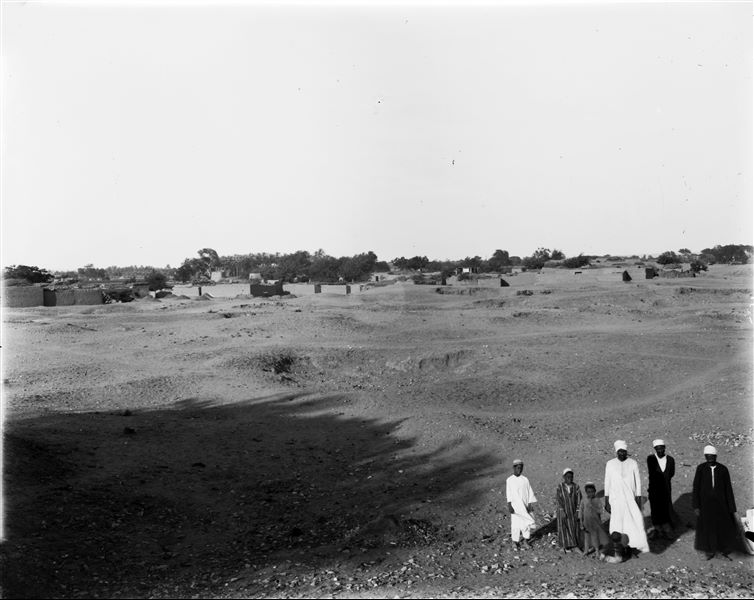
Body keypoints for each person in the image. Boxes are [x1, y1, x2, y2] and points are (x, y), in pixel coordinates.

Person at [692, 445, 739, 560]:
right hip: (705, 504)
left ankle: (721, 551)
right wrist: (696, 506)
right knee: (707, 528)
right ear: (705, 456)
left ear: (716, 456)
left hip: (721, 504)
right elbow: (696, 487)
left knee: (721, 527)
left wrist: (731, 508)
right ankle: (709, 550)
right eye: (708, 456)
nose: (710, 458)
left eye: (712, 456)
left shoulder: (723, 469)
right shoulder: (701, 469)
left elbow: (728, 489)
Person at [604, 440, 649, 554]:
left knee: (636, 520)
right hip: (615, 498)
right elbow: (607, 482)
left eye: (624, 451)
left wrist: (638, 497)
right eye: (620, 451)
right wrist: (606, 500)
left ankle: (635, 545)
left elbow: (638, 481)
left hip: (630, 498)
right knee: (617, 523)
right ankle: (617, 546)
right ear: (616, 452)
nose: (622, 454)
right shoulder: (610, 464)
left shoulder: (633, 463)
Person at [646, 438, 676, 539]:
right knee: (655, 509)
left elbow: (671, 473)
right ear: (655, 449)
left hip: (666, 489)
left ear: (664, 448)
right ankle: (658, 529)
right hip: (654, 489)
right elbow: (653, 474)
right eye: (657, 449)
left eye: (662, 448)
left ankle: (666, 529)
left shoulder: (671, 460)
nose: (660, 451)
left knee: (666, 507)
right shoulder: (651, 459)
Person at [506, 458, 538, 549]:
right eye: (518, 468)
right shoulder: (509, 480)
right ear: (514, 468)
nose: (519, 469)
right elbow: (508, 493)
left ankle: (525, 541)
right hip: (515, 506)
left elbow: (529, 492)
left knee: (526, 524)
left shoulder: (525, 480)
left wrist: (530, 504)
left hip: (525, 505)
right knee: (515, 524)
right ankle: (514, 542)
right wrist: (509, 505)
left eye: (521, 468)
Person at [579, 481, 610, 558]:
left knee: (595, 536)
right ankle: (586, 550)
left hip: (595, 523)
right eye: (588, 492)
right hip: (586, 522)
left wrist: (593, 507)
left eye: (592, 492)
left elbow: (601, 511)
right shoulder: (584, 500)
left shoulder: (597, 500)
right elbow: (581, 511)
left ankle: (596, 551)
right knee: (586, 537)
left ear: (595, 491)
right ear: (586, 492)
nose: (590, 494)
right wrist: (581, 522)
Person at [555, 468, 582, 553]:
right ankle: (563, 546)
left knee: (574, 528)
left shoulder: (576, 487)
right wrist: (561, 510)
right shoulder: (560, 487)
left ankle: (574, 546)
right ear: (564, 477)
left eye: (571, 477)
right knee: (563, 528)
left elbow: (579, 499)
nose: (569, 479)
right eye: (567, 477)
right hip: (562, 511)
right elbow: (558, 499)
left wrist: (578, 511)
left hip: (573, 511)